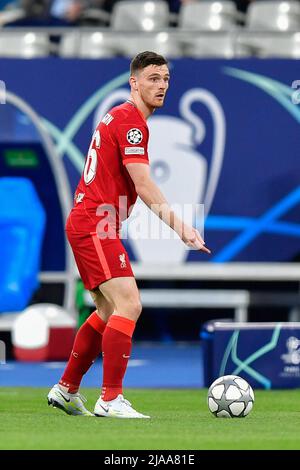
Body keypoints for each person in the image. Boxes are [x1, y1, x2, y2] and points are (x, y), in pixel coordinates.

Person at [47, 51, 210, 419]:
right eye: (153, 78)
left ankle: (67, 389)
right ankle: (110, 399)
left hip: (92, 221)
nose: (162, 85)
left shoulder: (122, 117)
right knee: (130, 305)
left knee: (107, 310)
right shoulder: (131, 122)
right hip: (95, 222)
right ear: (133, 81)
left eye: (166, 78)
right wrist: (182, 227)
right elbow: (143, 181)